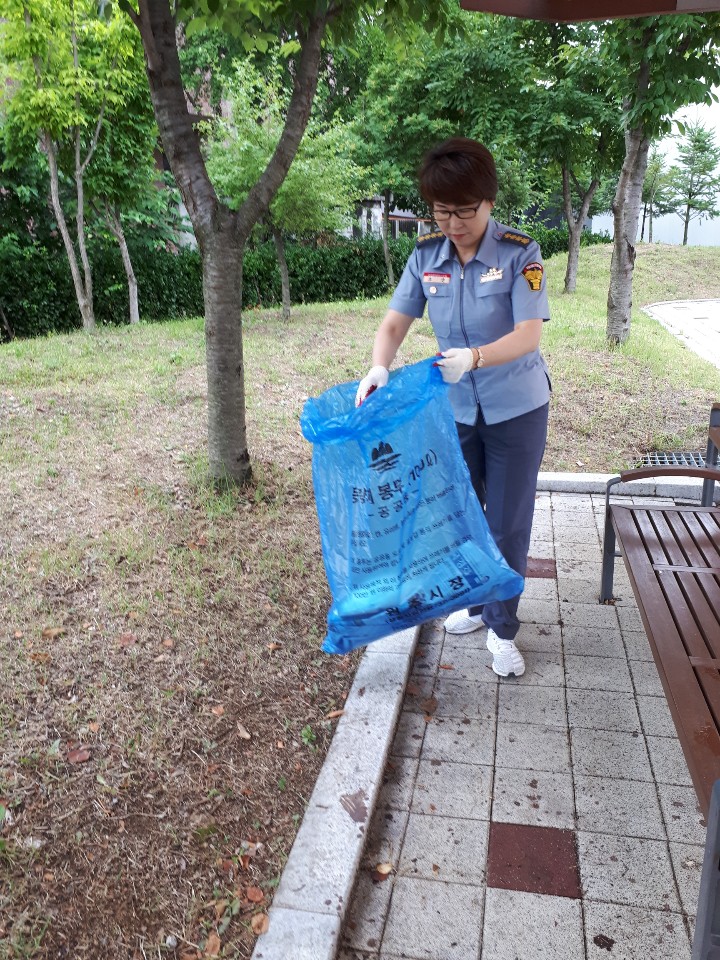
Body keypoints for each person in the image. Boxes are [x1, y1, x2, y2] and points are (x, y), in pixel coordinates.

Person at [355, 137, 551, 679]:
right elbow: (395, 322)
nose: (454, 223)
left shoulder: (520, 253)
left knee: (507, 522)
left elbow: (529, 334)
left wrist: (476, 357)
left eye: (466, 210)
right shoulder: (426, 256)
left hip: (516, 409)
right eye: (443, 211)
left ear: (489, 201)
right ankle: (475, 602)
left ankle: (502, 628)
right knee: (461, 511)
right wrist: (379, 366)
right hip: (458, 411)